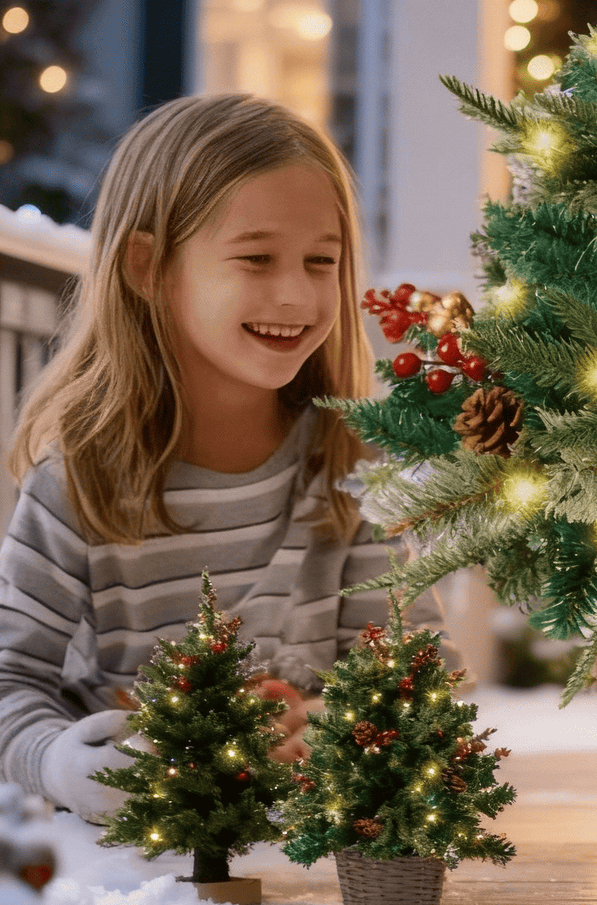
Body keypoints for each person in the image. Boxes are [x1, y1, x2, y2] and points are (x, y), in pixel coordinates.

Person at [0, 93, 447, 823]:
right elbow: (9, 681)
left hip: (311, 871)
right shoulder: (78, 480)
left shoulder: (353, 468)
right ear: (148, 267)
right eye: (256, 258)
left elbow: (419, 681)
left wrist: (341, 731)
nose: (296, 293)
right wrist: (61, 765)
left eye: (320, 261)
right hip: (135, 875)